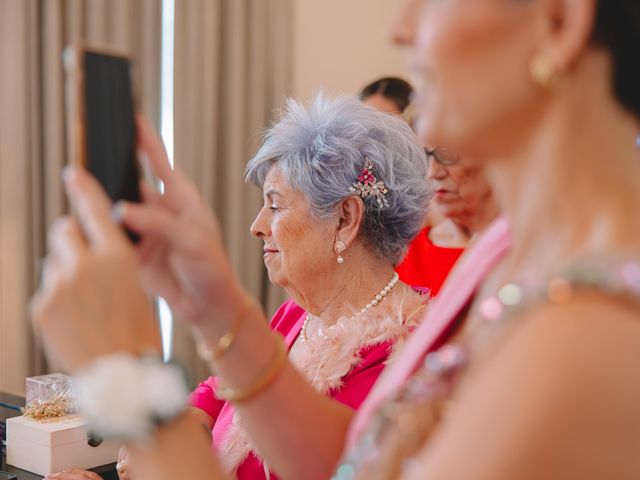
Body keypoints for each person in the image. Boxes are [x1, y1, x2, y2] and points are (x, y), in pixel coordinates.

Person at [33, 0, 640, 479]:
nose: (401, 28)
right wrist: (208, 301)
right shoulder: (505, 252)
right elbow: (352, 462)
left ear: (560, 21)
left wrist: (127, 377)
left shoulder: (589, 336)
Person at [42, 95, 430, 480]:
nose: (256, 225)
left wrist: (125, 379)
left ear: (345, 219)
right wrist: (195, 414)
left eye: (275, 206)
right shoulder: (298, 314)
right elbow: (227, 386)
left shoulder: (399, 362)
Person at [395, 147, 498, 296]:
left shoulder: (521, 248)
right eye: (427, 155)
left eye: (448, 154)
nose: (433, 172)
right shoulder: (403, 251)